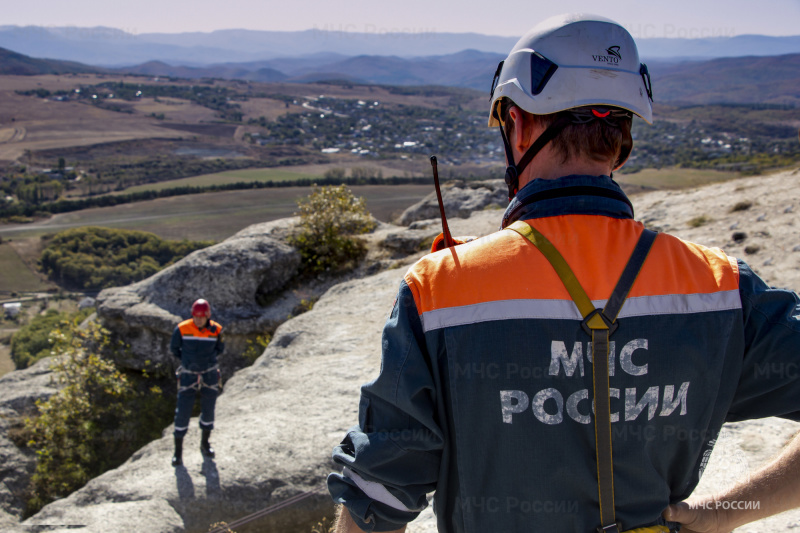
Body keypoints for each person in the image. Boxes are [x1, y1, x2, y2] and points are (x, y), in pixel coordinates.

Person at [327, 13, 800, 533]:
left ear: (520, 124)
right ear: (621, 139)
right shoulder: (721, 287)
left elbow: (379, 498)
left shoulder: (441, 292)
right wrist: (722, 514)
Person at [170, 298, 224, 466]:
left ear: (208, 316)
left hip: (209, 373)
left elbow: (220, 349)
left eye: (202, 316)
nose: (199, 319)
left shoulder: (216, 330)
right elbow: (174, 349)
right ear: (192, 315)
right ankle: (178, 453)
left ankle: (205, 444)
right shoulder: (182, 328)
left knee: (208, 410)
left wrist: (206, 362)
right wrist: (187, 362)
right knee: (183, 411)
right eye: (196, 316)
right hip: (188, 373)